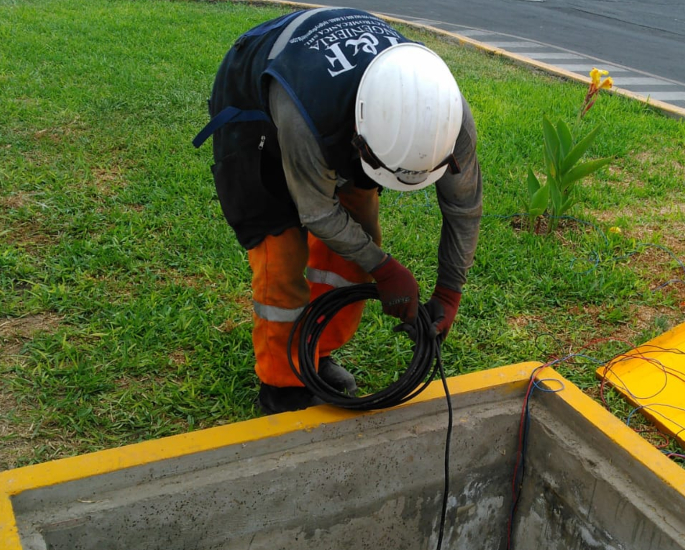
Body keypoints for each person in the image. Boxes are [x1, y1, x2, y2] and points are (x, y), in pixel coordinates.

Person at [193, 8, 482, 414]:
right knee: (280, 254)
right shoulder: (304, 113)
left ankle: (316, 350)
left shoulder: (445, 112)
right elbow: (317, 212)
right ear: (359, 141)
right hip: (257, 106)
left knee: (358, 238)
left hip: (339, 113)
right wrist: (385, 269)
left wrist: (449, 291)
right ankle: (283, 384)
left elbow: (463, 207)